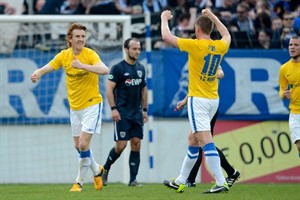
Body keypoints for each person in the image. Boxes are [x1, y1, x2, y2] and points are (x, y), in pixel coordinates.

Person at [30, 23, 109, 192]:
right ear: (70, 39)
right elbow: (49, 66)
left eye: (83, 36)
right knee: (79, 146)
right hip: (75, 108)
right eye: (77, 37)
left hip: (92, 104)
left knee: (82, 144)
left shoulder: (90, 54)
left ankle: (78, 183)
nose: (81, 39)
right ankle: (97, 170)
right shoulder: (64, 56)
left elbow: (105, 69)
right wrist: (38, 72)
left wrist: (83, 66)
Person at [161, 8, 231, 193]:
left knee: (205, 141)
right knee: (192, 139)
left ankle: (221, 181)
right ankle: (181, 180)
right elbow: (227, 34)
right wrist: (213, 16)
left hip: (199, 101)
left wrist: (163, 18)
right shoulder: (220, 46)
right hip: (212, 99)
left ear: (198, 30)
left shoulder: (195, 45)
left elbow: (166, 36)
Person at [175, 67, 240, 188]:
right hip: (204, 102)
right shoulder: (197, 56)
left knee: (202, 141)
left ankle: (223, 178)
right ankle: (187, 179)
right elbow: (196, 86)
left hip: (206, 104)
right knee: (196, 139)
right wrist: (185, 100)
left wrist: (215, 75)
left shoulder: (207, 54)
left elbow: (221, 72)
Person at [102, 38, 148, 187]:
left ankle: (133, 180)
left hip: (136, 113)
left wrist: (145, 110)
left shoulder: (141, 68)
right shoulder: (117, 68)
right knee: (121, 146)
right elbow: (109, 90)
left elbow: (143, 89)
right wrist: (113, 109)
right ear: (126, 50)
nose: (137, 52)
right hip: (122, 113)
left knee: (136, 143)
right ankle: (105, 169)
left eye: (139, 49)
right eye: (134, 49)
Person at [278, 35, 300, 157]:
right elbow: (281, 89)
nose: (292, 47)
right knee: (299, 145)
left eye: (296, 45)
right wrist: (284, 95)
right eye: (291, 45)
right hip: (295, 112)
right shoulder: (284, 68)